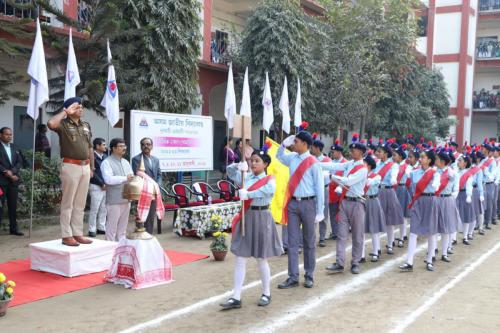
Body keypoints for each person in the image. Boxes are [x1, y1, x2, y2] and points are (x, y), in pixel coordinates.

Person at [220, 143, 283, 310]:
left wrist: (248, 194)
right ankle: (236, 296)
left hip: (262, 217)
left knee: (261, 258)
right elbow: (229, 172)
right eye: (251, 160)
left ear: (266, 164)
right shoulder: (246, 177)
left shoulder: (270, 179)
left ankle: (266, 292)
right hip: (247, 217)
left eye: (257, 161)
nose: (253, 163)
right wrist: (236, 165)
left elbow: (267, 191)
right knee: (241, 257)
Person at [277, 125, 324, 289]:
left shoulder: (314, 163)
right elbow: (279, 157)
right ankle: (293, 277)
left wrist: (320, 210)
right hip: (293, 204)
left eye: (295, 141)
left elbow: (319, 188)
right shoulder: (292, 158)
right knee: (292, 242)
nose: (293, 144)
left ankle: (309, 275)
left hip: (308, 204)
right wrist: (283, 145)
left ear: (304, 144)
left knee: (309, 242)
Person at [48, 97, 94, 246]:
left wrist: (92, 167)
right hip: (70, 166)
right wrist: (65, 112)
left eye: (81, 106)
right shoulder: (63, 124)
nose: (81, 108)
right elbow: (51, 124)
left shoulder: (86, 125)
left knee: (80, 203)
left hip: (85, 167)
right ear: (69, 109)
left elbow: (89, 148)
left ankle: (77, 233)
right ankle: (66, 235)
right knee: (68, 202)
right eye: (77, 106)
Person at [321, 134, 368, 274]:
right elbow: (335, 165)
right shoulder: (350, 164)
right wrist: (315, 162)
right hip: (345, 202)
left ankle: (355, 262)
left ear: (361, 152)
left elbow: (348, 181)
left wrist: (332, 177)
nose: (351, 152)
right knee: (341, 234)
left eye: (354, 150)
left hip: (357, 203)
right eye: (351, 150)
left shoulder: (363, 168)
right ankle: (339, 262)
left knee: (357, 235)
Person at [400, 149, 440, 272]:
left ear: (429, 160)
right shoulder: (414, 173)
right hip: (418, 201)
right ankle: (409, 262)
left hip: (430, 200)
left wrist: (434, 182)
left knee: (431, 231)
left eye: (423, 157)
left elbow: (436, 186)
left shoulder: (434, 173)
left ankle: (429, 260)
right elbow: (411, 187)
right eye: (421, 157)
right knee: (413, 231)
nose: (421, 159)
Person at [101, 138, 134, 242]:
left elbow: (131, 177)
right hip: (114, 200)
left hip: (126, 198)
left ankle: (121, 246)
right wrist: (125, 178)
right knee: (112, 227)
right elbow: (108, 179)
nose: (123, 148)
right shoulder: (106, 162)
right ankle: (109, 248)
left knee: (123, 227)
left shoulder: (126, 162)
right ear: (113, 148)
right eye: (120, 146)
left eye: (124, 146)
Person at [375, 141, 404, 255]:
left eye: (380, 152)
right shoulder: (376, 164)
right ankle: (376, 248)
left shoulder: (393, 165)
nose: (377, 153)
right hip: (377, 191)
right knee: (376, 219)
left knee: (389, 220)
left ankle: (390, 243)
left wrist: (393, 178)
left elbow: (394, 175)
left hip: (388, 191)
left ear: (386, 154)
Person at [132, 137, 162, 234]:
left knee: (151, 217)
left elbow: (159, 174)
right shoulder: (136, 159)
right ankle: (140, 237)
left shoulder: (156, 159)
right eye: (144, 144)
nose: (146, 146)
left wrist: (157, 185)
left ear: (152, 146)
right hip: (143, 193)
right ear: (141, 146)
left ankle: (149, 237)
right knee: (141, 216)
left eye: (148, 144)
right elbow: (138, 175)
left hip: (154, 192)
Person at [435, 149, 460, 263]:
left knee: (445, 228)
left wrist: (451, 198)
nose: (435, 161)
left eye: (437, 159)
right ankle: (433, 249)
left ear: (443, 161)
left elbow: (456, 189)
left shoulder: (452, 173)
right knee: (434, 226)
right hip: (435, 199)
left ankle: (444, 253)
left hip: (447, 200)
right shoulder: (434, 171)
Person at [0, 127, 23, 236]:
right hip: (1, 182)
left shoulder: (15, 147)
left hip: (13, 181)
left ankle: (13, 229)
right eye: (6, 134)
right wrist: (5, 171)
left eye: (10, 134)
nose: (9, 136)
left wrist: (12, 172)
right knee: (0, 205)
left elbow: (19, 162)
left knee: (13, 206)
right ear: (0, 135)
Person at [310, 134, 331, 247]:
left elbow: (329, 175)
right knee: (311, 213)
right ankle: (311, 237)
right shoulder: (310, 159)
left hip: (323, 188)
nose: (311, 149)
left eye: (312, 147)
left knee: (323, 212)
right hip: (312, 190)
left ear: (317, 148)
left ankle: (322, 237)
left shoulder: (327, 160)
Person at [363, 155, 385, 263]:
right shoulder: (361, 175)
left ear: (369, 166)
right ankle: (361, 254)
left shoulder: (377, 176)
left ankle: (376, 252)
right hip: (363, 201)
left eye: (364, 164)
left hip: (373, 201)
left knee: (374, 228)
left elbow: (369, 182)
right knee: (361, 228)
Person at [328, 139, 348, 241]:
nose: (332, 154)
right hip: (332, 191)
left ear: (339, 152)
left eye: (333, 152)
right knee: (332, 212)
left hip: (341, 192)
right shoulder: (332, 162)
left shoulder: (346, 163)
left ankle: (341, 231)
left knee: (341, 213)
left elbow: (346, 178)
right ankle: (335, 232)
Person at [88, 138, 107, 237]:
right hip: (96, 185)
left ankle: (101, 227)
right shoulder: (92, 156)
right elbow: (92, 172)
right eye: (103, 145)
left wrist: (106, 183)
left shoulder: (106, 157)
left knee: (104, 208)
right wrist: (101, 183)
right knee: (94, 208)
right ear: (97, 146)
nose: (105, 146)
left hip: (106, 186)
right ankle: (92, 229)